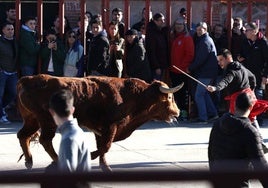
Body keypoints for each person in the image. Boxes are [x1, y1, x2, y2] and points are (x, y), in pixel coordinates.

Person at [208, 92, 268, 188]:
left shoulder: (218, 124)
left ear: (235, 104)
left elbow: (211, 153)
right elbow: (260, 164)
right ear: (251, 107)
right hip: (239, 181)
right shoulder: (250, 131)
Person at [46, 89, 91, 188]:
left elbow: (67, 181)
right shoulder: (79, 132)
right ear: (72, 110)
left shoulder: (69, 139)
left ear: (51, 112)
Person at [188, 21, 218, 124]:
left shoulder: (205, 41)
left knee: (199, 95)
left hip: (206, 72)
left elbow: (200, 59)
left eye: (201, 29)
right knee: (204, 94)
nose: (198, 32)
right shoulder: (205, 40)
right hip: (208, 72)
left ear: (205, 30)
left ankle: (203, 118)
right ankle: (213, 113)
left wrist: (190, 68)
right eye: (197, 30)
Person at [239, 21, 268, 126]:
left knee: (258, 96)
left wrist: (266, 75)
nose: (245, 32)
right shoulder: (245, 42)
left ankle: (258, 119)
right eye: (245, 30)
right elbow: (241, 53)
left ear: (255, 31)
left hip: (259, 75)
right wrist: (240, 57)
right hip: (247, 74)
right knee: (248, 95)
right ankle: (250, 117)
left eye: (247, 30)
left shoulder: (263, 42)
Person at [169, 17, 194, 121]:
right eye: (177, 24)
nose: (178, 26)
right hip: (173, 70)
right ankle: (177, 112)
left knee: (183, 93)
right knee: (175, 93)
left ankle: (183, 113)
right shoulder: (173, 37)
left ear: (184, 26)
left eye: (181, 24)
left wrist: (182, 67)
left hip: (182, 71)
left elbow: (190, 55)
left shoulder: (187, 38)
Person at [0, 22, 18, 124]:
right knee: (0, 94)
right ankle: (1, 116)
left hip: (12, 71)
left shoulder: (15, 41)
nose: (11, 31)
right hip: (2, 71)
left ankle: (1, 108)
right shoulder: (1, 41)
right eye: (8, 29)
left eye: (12, 29)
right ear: (3, 30)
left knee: (13, 92)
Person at [145, 12, 170, 82]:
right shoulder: (152, 33)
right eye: (161, 20)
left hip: (160, 64)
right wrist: (156, 66)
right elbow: (151, 50)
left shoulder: (158, 31)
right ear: (155, 21)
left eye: (164, 20)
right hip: (156, 66)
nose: (163, 22)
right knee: (155, 85)